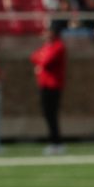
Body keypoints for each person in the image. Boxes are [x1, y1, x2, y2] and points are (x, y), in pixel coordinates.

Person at [32, 20, 68, 154]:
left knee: (51, 114)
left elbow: (45, 61)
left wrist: (41, 58)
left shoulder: (58, 46)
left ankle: (56, 142)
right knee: (47, 114)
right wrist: (41, 56)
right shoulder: (48, 46)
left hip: (53, 85)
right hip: (44, 84)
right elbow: (34, 56)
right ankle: (54, 141)